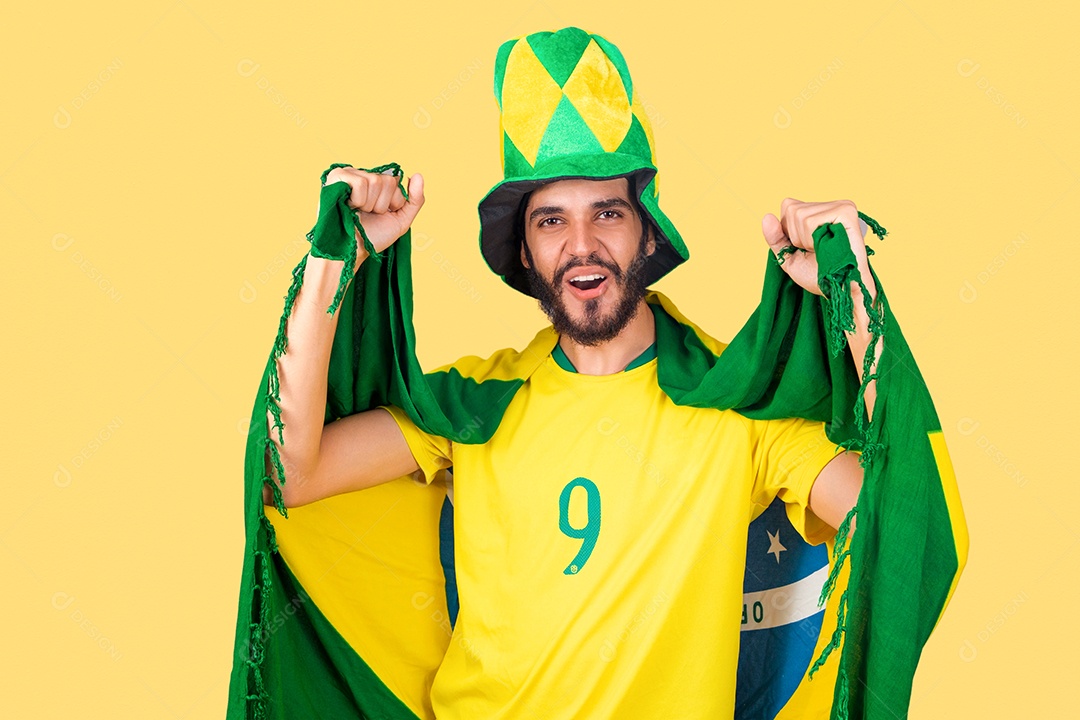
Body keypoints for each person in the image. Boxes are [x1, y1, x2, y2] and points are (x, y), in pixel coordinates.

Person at [261, 27, 878, 719]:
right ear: (523, 252)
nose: (581, 245)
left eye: (607, 212)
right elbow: (291, 474)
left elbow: (895, 522)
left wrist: (856, 298)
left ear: (648, 231)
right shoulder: (475, 403)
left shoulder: (736, 403)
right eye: (551, 220)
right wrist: (331, 265)